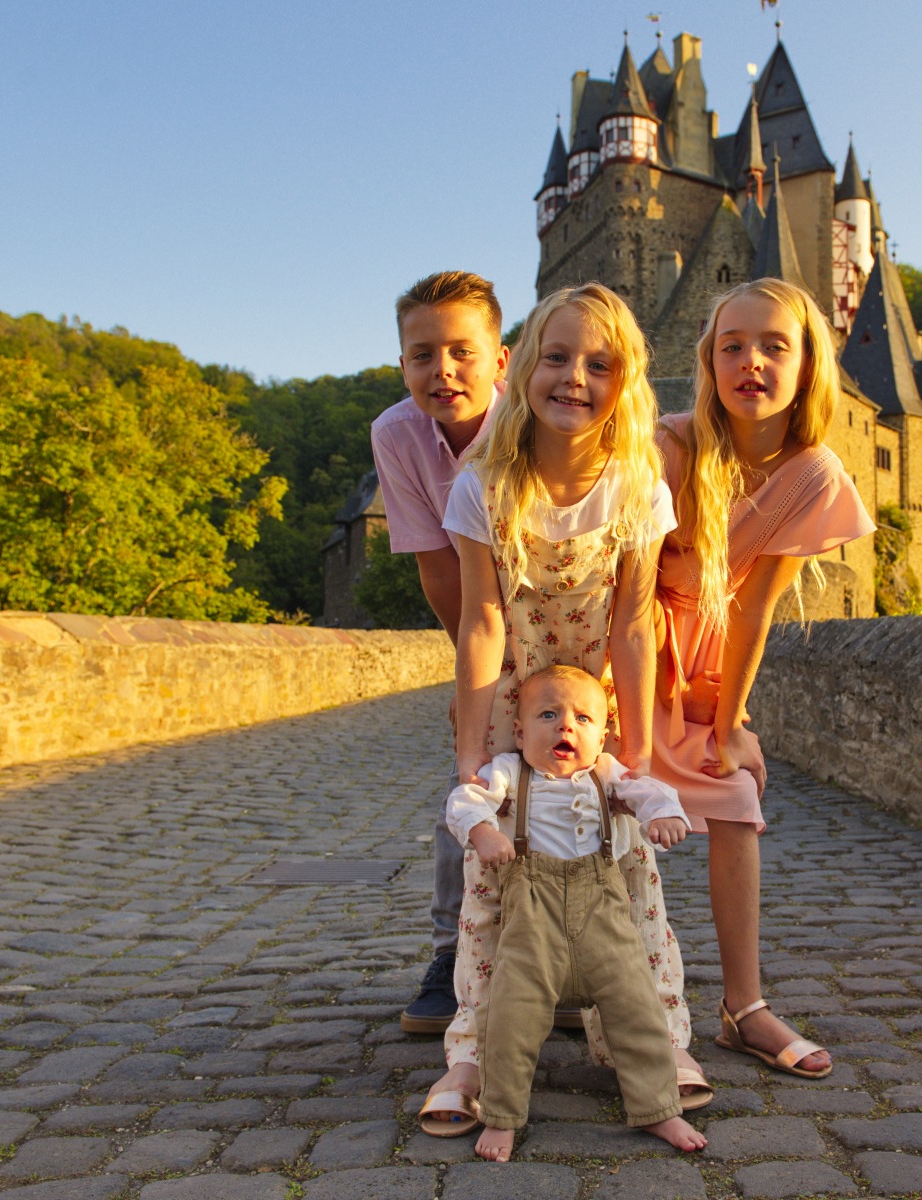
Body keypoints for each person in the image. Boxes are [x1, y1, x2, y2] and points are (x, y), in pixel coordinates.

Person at [418, 282, 712, 1137]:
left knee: (628, 874)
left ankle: (653, 1042)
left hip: (593, 708)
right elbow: (480, 619)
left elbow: (633, 623)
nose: (575, 377)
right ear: (525, 370)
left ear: (627, 381)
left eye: (600, 364)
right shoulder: (483, 486)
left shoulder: (637, 488)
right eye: (557, 357)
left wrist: (639, 747)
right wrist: (471, 751)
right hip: (515, 701)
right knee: (494, 882)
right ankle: (472, 1055)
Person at [652, 278, 875, 1079]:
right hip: (628, 651)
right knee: (600, 800)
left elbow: (752, 609)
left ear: (808, 364)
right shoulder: (670, 447)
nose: (752, 361)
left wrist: (729, 721)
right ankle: (609, 994)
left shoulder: (813, 473)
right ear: (709, 362)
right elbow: (623, 588)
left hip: (705, 659)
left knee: (737, 796)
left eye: (774, 346)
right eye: (733, 346)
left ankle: (743, 1009)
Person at [444, 665, 707, 1159]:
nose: (566, 725)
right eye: (548, 715)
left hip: (604, 913)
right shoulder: (509, 771)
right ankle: (502, 1116)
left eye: (583, 718)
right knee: (510, 1015)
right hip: (532, 918)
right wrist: (483, 831)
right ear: (520, 731)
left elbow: (646, 789)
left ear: (602, 735)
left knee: (638, 1009)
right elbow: (466, 798)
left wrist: (663, 813)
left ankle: (658, 1108)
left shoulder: (605, 772)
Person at [370, 271, 509, 1034]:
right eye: (422, 355)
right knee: (473, 783)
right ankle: (453, 957)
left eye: (462, 351)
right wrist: (472, 677)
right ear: (403, 366)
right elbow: (437, 565)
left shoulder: (535, 419)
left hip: (564, 618)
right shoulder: (397, 435)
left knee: (576, 790)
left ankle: (571, 963)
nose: (443, 370)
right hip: (481, 622)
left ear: (501, 359)